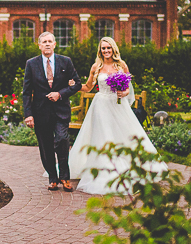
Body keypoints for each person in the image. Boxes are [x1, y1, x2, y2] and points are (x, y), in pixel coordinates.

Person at [69, 37, 166, 195]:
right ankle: (103, 170)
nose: (106, 51)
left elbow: (128, 89)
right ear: (100, 50)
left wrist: (124, 92)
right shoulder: (96, 66)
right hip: (100, 106)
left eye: (108, 48)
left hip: (118, 104)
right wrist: (75, 86)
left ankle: (129, 166)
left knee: (125, 135)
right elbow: (88, 87)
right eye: (103, 48)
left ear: (113, 49)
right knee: (103, 136)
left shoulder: (121, 65)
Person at [22, 32, 82, 192]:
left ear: (54, 44)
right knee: (45, 147)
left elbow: (77, 84)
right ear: (39, 45)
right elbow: (27, 92)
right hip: (40, 112)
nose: (47, 44)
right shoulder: (31, 64)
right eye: (44, 42)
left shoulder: (65, 61)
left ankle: (65, 177)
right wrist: (28, 114)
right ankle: (53, 178)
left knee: (62, 140)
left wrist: (60, 93)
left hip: (61, 111)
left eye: (50, 41)